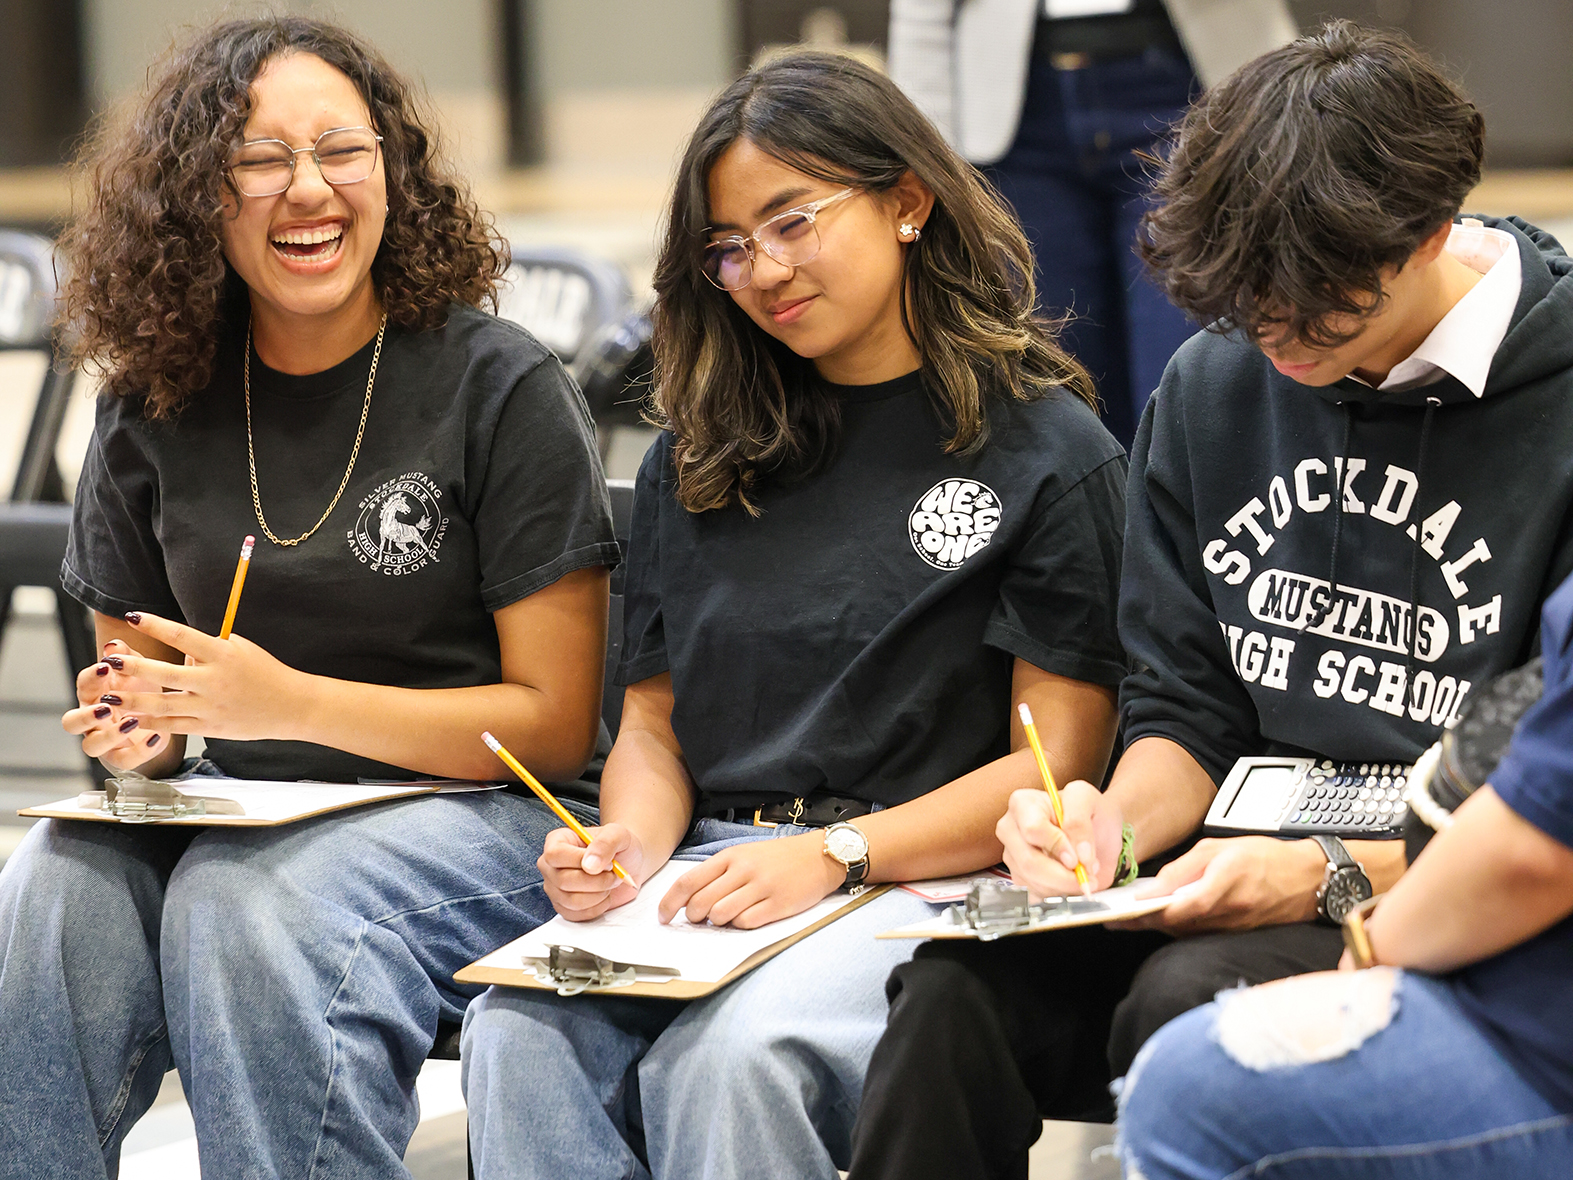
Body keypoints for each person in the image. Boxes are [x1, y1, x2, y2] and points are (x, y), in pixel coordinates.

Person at [848, 21, 1573, 1180]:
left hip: (1441, 879)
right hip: (1224, 859)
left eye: (1317, 313)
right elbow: (1183, 705)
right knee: (952, 991)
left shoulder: (1554, 397)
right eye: (1247, 311)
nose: (1276, 341)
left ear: (1429, 232)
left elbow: (1545, 809)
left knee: (1185, 1003)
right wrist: (1108, 829)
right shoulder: (1216, 376)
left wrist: (1327, 872)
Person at [459, 50, 1129, 1180]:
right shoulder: (704, 448)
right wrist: (625, 845)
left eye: (790, 222)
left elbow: (1051, 770)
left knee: (732, 1062)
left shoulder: (1047, 451)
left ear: (907, 200)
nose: (760, 269)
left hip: (922, 880)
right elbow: (656, 727)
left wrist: (836, 852)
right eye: (727, 248)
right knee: (520, 1034)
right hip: (719, 871)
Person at [0, 17, 619, 1177]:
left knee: (248, 908)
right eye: (259, 159)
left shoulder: (498, 384)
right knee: (48, 890)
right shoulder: (154, 398)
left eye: (343, 149)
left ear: (391, 168)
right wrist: (140, 732)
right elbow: (145, 710)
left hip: (492, 818)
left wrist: (283, 705)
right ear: (196, 197)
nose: (308, 190)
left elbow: (552, 723)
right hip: (249, 811)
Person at [1118, 567, 1573, 1177]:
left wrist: (1351, 908)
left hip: (1498, 956)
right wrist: (1111, 826)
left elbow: (1533, 848)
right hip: (1437, 895)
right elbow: (1185, 705)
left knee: (1184, 1091)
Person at [886, 0, 1296, 446]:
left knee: (1191, 370)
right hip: (1012, 112)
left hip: (1191, 83)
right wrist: (923, 145)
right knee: (1051, 387)